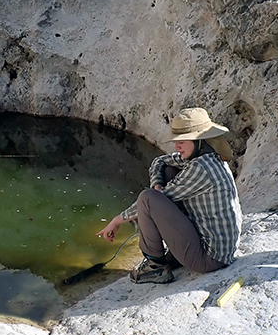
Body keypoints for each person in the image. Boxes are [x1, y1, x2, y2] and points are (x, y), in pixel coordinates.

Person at [96, 107, 242, 284]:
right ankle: (174, 254)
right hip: (214, 247)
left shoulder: (200, 169)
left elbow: (150, 201)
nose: (176, 146)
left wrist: (118, 220)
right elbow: (160, 161)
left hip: (210, 258)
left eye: (182, 141)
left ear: (199, 140)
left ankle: (155, 266)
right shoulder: (207, 156)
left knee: (147, 198)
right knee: (169, 171)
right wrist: (157, 184)